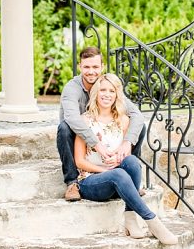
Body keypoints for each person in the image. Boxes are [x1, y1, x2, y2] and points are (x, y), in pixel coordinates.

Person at [73, 71, 176, 244]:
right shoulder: (85, 121)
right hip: (90, 182)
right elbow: (79, 161)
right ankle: (153, 222)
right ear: (96, 92)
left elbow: (125, 157)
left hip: (116, 179)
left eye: (111, 91)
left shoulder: (123, 120)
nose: (106, 94)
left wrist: (118, 161)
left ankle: (130, 218)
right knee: (119, 174)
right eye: (103, 90)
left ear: (117, 95)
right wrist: (105, 169)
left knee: (132, 162)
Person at [58, 46, 145, 201]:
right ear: (80, 67)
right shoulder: (72, 88)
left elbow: (136, 115)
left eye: (95, 67)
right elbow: (71, 118)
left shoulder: (107, 86)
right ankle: (72, 182)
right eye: (87, 67)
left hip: (105, 136)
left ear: (102, 67)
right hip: (78, 136)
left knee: (139, 127)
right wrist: (96, 143)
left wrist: (126, 143)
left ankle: (131, 175)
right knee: (63, 128)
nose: (91, 71)